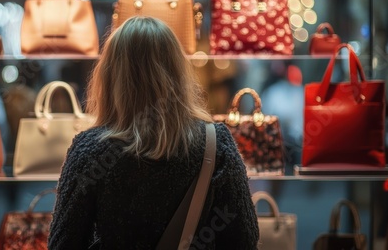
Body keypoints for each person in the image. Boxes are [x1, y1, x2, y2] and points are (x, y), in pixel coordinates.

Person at [48, 16, 259, 249]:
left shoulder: (88, 150)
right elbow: (244, 239)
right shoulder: (216, 143)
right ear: (178, 73)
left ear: (110, 77)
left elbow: (63, 243)